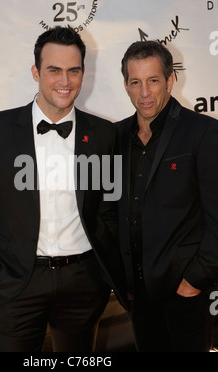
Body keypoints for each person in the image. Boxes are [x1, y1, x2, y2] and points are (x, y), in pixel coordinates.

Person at [0, 26, 126, 352]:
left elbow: (111, 207)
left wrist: (103, 273)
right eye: (54, 70)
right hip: (18, 281)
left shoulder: (105, 134)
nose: (65, 81)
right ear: (36, 72)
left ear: (83, 73)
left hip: (83, 280)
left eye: (73, 70)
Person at [116, 40, 218, 352]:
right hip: (138, 295)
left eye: (153, 80)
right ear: (126, 85)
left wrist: (194, 281)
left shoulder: (202, 132)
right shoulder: (116, 137)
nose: (144, 93)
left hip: (186, 294)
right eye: (136, 82)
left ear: (170, 80)